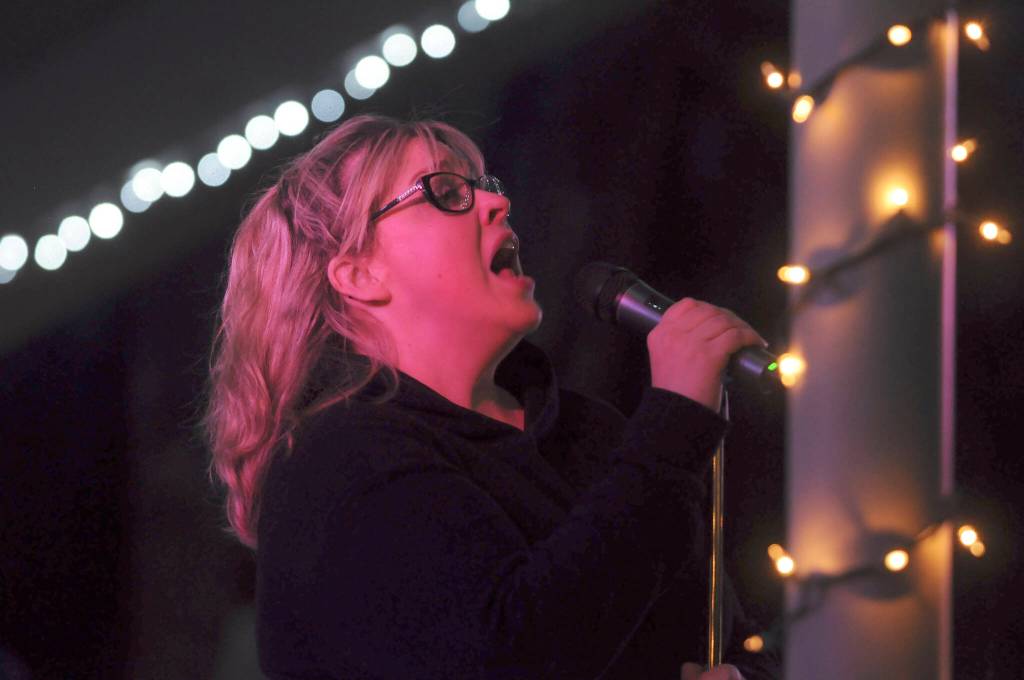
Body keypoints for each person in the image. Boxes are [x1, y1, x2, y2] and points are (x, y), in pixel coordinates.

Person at [204, 114, 779, 679]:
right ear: (358, 274)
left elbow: (728, 639)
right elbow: (508, 654)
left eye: (486, 186)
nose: (496, 204)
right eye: (446, 193)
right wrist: (673, 426)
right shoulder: (338, 465)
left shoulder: (589, 434)